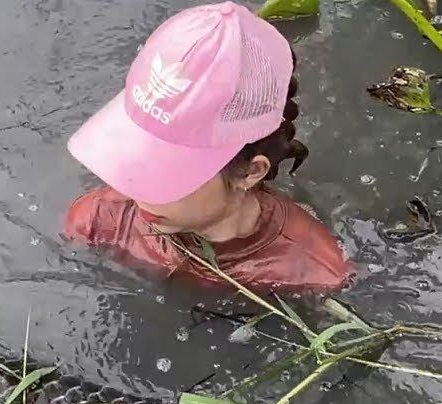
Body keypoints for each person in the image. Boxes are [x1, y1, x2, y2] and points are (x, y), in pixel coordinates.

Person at [60, 1, 354, 297]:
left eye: (169, 169)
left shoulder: (311, 272)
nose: (137, 190)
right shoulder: (97, 222)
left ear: (251, 171)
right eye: (136, 153)